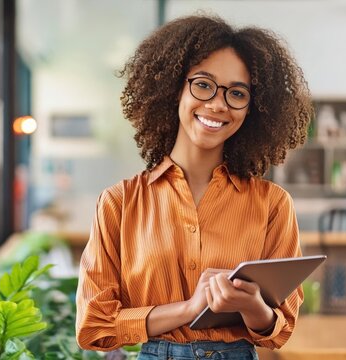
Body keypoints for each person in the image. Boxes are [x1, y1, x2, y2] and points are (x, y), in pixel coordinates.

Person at [76, 14, 313, 360]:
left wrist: (252, 307)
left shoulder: (272, 204)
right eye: (203, 84)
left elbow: (281, 329)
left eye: (237, 93)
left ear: (253, 109)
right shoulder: (120, 202)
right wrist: (188, 309)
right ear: (175, 88)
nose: (218, 104)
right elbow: (94, 326)